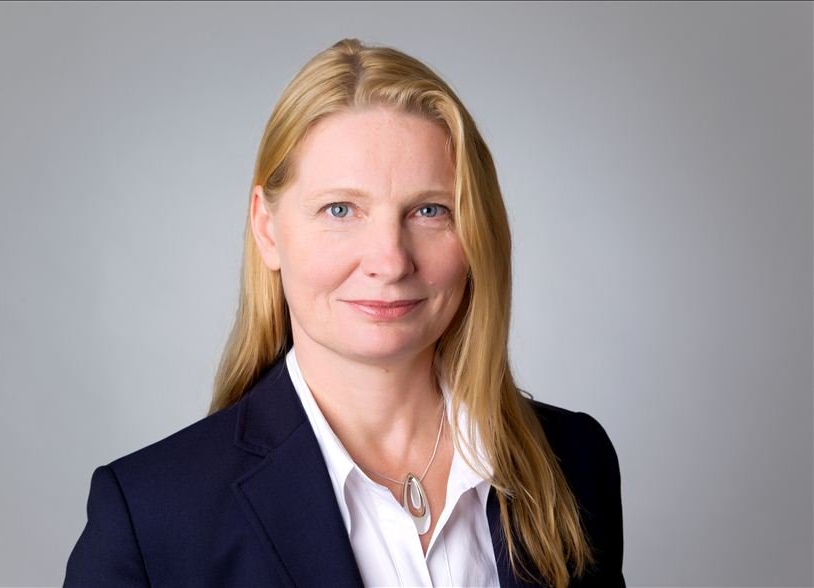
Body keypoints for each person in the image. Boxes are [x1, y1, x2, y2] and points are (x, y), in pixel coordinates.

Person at [64, 38, 625, 588]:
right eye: (340, 209)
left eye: (430, 210)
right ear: (267, 229)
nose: (390, 260)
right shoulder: (151, 517)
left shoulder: (574, 461)